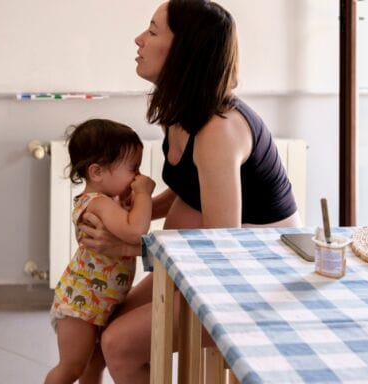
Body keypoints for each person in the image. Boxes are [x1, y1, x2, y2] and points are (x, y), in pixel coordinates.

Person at [77, 1, 303, 382]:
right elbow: (191, 188)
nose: (139, 39)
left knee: (118, 343)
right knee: (103, 325)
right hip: (204, 259)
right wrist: (138, 204)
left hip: (256, 270)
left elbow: (220, 244)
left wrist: (126, 246)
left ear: (184, 51)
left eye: (152, 31)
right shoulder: (181, 111)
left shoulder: (218, 131)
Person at [44, 119, 156, 384]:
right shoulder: (96, 203)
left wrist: (131, 199)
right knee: (71, 368)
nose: (137, 177)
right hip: (79, 307)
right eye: (133, 168)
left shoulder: (110, 202)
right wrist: (144, 195)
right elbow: (136, 232)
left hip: (101, 303)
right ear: (97, 172)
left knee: (93, 367)